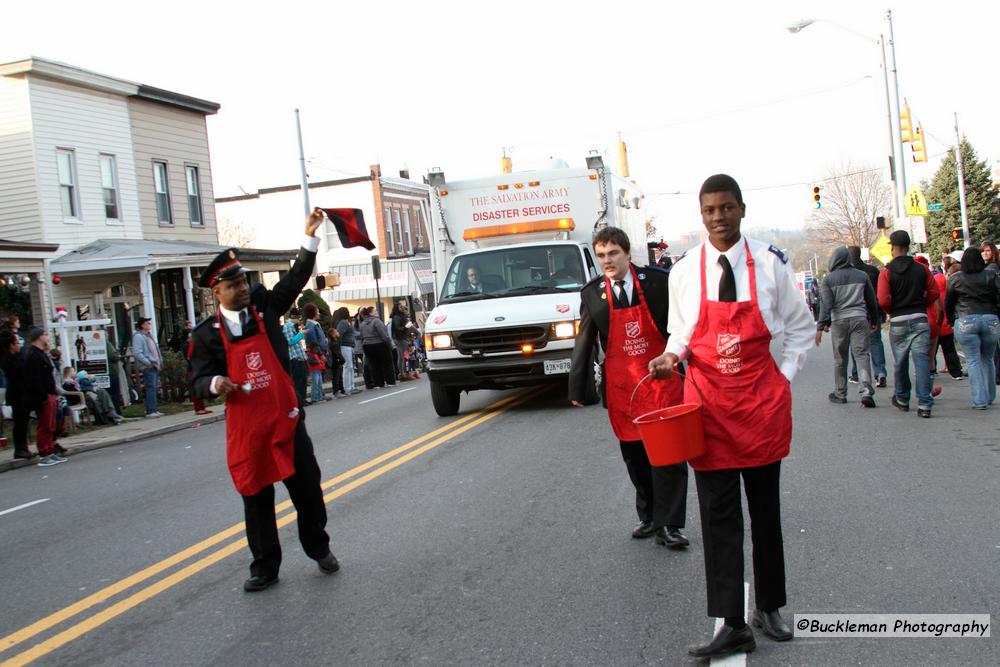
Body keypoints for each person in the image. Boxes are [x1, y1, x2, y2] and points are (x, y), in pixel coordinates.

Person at [648, 174, 815, 659]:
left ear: (742, 209)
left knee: (765, 513)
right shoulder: (684, 271)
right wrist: (669, 358)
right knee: (719, 518)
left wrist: (783, 377)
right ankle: (731, 622)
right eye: (709, 210)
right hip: (710, 411)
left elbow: (801, 329)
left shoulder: (769, 264)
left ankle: (771, 606)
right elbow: (681, 333)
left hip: (762, 406)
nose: (718, 217)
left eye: (726, 208)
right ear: (701, 216)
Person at [188, 209, 338, 592]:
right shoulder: (206, 335)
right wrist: (216, 382)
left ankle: (319, 548)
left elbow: (296, 278)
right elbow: (197, 379)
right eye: (232, 284)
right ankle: (264, 567)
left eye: (242, 281)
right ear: (215, 293)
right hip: (248, 427)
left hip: (286, 419)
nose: (241, 287)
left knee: (307, 489)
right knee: (255, 497)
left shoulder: (267, 308)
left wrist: (308, 237)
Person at [568, 226, 689, 549]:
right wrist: (577, 387)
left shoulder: (658, 282)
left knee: (669, 455)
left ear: (626, 253)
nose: (607, 261)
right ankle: (649, 516)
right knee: (635, 456)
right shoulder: (592, 294)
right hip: (624, 389)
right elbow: (585, 340)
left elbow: (680, 328)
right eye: (601, 255)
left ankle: (671, 525)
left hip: (661, 381)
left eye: (613, 254)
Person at [877, 230, 938, 418]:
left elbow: (883, 299)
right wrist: (922, 303)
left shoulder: (886, 273)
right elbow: (934, 291)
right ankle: (925, 404)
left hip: (898, 321)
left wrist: (893, 310)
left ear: (893, 248)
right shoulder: (922, 269)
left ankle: (902, 398)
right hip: (920, 319)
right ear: (908, 246)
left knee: (900, 362)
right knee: (921, 362)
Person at [815, 247, 878, 407]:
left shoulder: (828, 280)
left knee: (840, 359)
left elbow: (826, 304)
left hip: (839, 322)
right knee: (862, 355)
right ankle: (866, 391)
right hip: (859, 319)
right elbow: (871, 300)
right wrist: (874, 320)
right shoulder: (862, 275)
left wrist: (821, 326)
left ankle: (840, 393)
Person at [945, 247, 1000, 409]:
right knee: (988, 358)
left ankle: (979, 400)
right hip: (990, 318)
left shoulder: (956, 278)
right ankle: (990, 396)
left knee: (973, 360)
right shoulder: (991, 275)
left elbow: (949, 301)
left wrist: (950, 319)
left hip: (966, 319)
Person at [22, 328, 67, 467]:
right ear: (38, 337)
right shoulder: (33, 356)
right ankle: (44, 453)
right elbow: (34, 379)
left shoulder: (42, 354)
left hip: (50, 393)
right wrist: (41, 396)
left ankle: (50, 450)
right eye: (45, 335)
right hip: (43, 395)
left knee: (51, 425)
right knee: (45, 425)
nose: (47, 338)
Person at [846, 246, 887, 387]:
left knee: (856, 345)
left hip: (856, 313)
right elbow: (879, 293)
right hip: (873, 311)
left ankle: (857, 374)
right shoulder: (873, 271)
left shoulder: (848, 274)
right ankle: (880, 373)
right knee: (876, 342)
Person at [0, 329, 34, 459]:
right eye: (16, 343)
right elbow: (18, 378)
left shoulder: (17, 358)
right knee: (20, 422)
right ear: (11, 345)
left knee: (23, 422)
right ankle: (20, 448)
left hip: (21, 394)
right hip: (17, 395)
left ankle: (24, 448)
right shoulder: (9, 361)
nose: (19, 345)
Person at [131, 317, 163, 418]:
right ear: (142, 325)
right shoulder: (138, 337)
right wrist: (147, 362)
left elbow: (155, 350)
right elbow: (137, 352)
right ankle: (150, 410)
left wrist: (159, 362)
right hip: (148, 366)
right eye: (147, 323)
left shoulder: (148, 336)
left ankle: (154, 409)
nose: (149, 325)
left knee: (154, 388)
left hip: (154, 365)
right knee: (150, 388)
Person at [359, 307, 395, 388]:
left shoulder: (362, 323)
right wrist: (389, 345)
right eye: (375, 311)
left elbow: (361, 336)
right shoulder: (376, 321)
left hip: (367, 345)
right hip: (379, 344)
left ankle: (378, 383)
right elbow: (384, 334)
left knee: (374, 365)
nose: (377, 312)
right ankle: (390, 381)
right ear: (371, 313)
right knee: (387, 363)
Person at [282, 308, 308, 403]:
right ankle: (299, 400)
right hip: (294, 357)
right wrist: (301, 334)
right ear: (294, 317)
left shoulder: (292, 326)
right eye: (298, 318)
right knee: (298, 380)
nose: (299, 320)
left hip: (299, 356)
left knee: (303, 380)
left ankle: (303, 399)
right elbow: (289, 341)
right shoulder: (288, 326)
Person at [334, 307, 361, 396]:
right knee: (348, 367)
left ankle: (351, 386)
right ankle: (348, 388)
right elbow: (339, 334)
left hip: (348, 346)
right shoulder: (343, 322)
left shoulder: (344, 322)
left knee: (350, 367)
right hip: (345, 346)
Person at [390, 300, 415, 381]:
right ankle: (403, 373)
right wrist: (406, 327)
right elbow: (398, 328)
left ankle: (402, 373)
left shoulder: (400, 315)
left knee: (402, 356)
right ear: (397, 308)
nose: (402, 308)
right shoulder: (396, 317)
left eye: (402, 306)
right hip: (399, 338)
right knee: (404, 356)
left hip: (401, 337)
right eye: (400, 307)